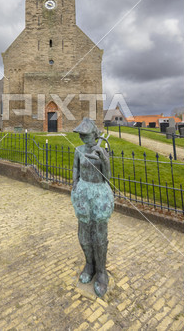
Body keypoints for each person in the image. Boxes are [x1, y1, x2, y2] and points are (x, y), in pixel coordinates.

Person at [71, 118, 114, 297]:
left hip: (99, 193)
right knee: (83, 233)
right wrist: (74, 184)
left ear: (95, 135)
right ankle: (89, 264)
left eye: (86, 135)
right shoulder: (79, 151)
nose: (83, 138)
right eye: (81, 135)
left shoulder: (102, 151)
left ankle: (102, 271)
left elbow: (108, 176)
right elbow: (75, 168)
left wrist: (103, 158)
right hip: (83, 192)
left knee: (99, 234)